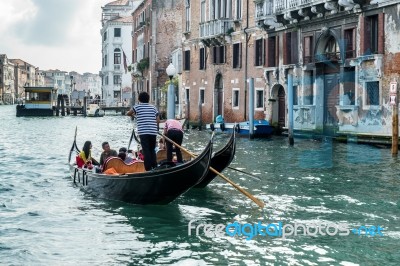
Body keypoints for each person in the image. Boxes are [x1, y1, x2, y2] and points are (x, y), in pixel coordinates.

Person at [127, 91, 159, 171]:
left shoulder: (137, 107)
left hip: (143, 132)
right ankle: (154, 166)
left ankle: (148, 168)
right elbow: (157, 120)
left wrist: (134, 115)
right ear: (148, 99)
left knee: (146, 150)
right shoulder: (153, 107)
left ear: (139, 99)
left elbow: (128, 113)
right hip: (153, 131)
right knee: (152, 149)